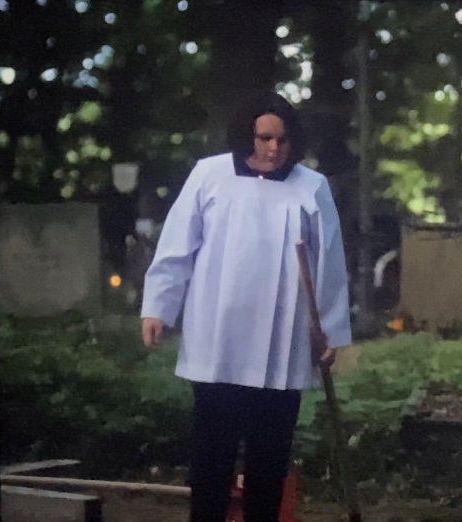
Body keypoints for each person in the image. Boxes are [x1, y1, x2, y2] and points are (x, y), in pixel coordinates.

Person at [140, 91, 352, 522]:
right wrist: (158, 306)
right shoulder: (209, 176)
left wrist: (328, 332)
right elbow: (178, 245)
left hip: (282, 343)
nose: (274, 149)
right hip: (218, 337)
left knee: (269, 458)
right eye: (264, 138)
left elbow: (329, 264)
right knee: (211, 454)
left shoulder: (311, 187)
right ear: (246, 136)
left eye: (282, 140)